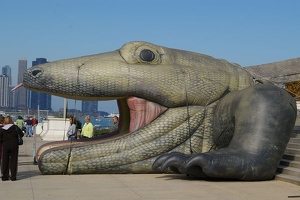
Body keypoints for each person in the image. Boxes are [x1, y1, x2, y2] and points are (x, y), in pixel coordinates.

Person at [0, 116, 24, 181]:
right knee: (13, 161)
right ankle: (13, 176)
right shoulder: (15, 127)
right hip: (14, 145)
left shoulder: (2, 129)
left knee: (5, 161)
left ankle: (5, 176)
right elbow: (21, 134)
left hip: (5, 145)